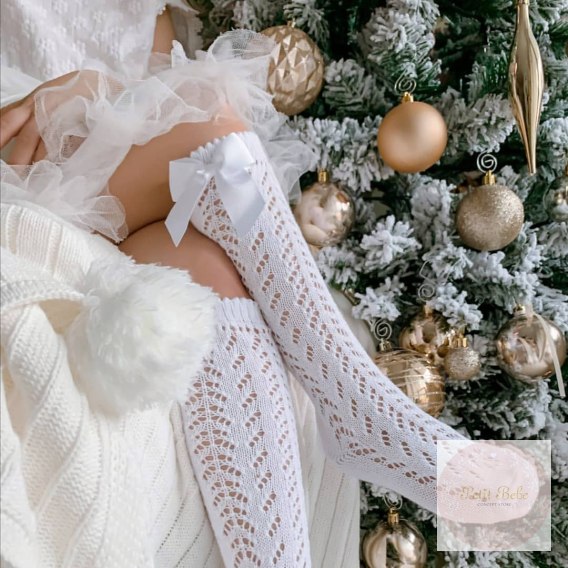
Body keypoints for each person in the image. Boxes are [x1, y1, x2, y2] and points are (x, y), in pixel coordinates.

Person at [0, 2, 537, 566]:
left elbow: (148, 92)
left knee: (198, 264)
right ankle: (359, 406)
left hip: (113, 179)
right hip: (22, 163)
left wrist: (96, 92)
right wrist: (72, 96)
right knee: (212, 123)